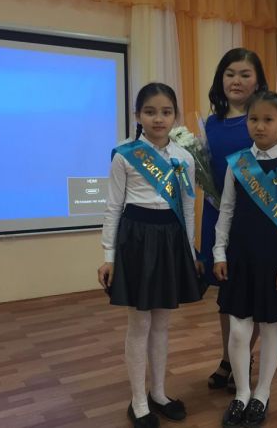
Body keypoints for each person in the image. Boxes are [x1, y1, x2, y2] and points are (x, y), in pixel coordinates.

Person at [97, 82, 202, 428]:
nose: (159, 119)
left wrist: (189, 250)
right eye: (150, 111)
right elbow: (113, 208)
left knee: (162, 323)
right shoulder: (124, 155)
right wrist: (109, 255)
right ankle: (138, 401)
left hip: (170, 240)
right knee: (139, 323)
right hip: (136, 240)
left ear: (175, 116)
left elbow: (188, 208)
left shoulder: (185, 158)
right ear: (137, 115)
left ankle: (158, 393)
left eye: (166, 112)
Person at [213, 90, 277, 427]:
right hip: (240, 257)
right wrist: (219, 251)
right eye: (254, 119)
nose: (260, 126)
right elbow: (226, 210)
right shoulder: (237, 163)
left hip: (274, 260)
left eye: (268, 119)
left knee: (270, 326)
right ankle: (241, 392)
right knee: (239, 330)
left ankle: (262, 392)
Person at [202, 48, 269, 392]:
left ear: (257, 80)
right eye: (230, 74)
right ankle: (228, 358)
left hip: (255, 216)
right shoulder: (210, 123)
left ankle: (245, 356)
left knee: (249, 291)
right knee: (226, 294)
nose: (237, 81)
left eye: (245, 74)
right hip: (217, 214)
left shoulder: (263, 119)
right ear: (221, 79)